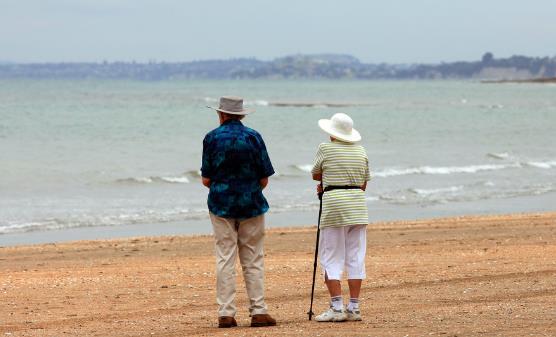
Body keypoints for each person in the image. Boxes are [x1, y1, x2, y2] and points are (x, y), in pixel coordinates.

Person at [201, 96, 277, 328]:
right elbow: (264, 178)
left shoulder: (211, 138)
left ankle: (226, 313)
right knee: (253, 258)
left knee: (225, 257)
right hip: (251, 203)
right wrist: (249, 188)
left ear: (221, 114)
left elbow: (206, 179)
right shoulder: (254, 137)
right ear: (241, 115)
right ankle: (259, 311)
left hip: (220, 204)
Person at [310, 112, 371, 322]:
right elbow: (363, 184)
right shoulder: (361, 150)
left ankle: (336, 307)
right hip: (358, 206)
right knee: (356, 256)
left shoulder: (325, 148)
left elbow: (316, 174)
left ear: (331, 133)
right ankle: (354, 308)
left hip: (334, 205)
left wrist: (327, 182)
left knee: (331, 256)